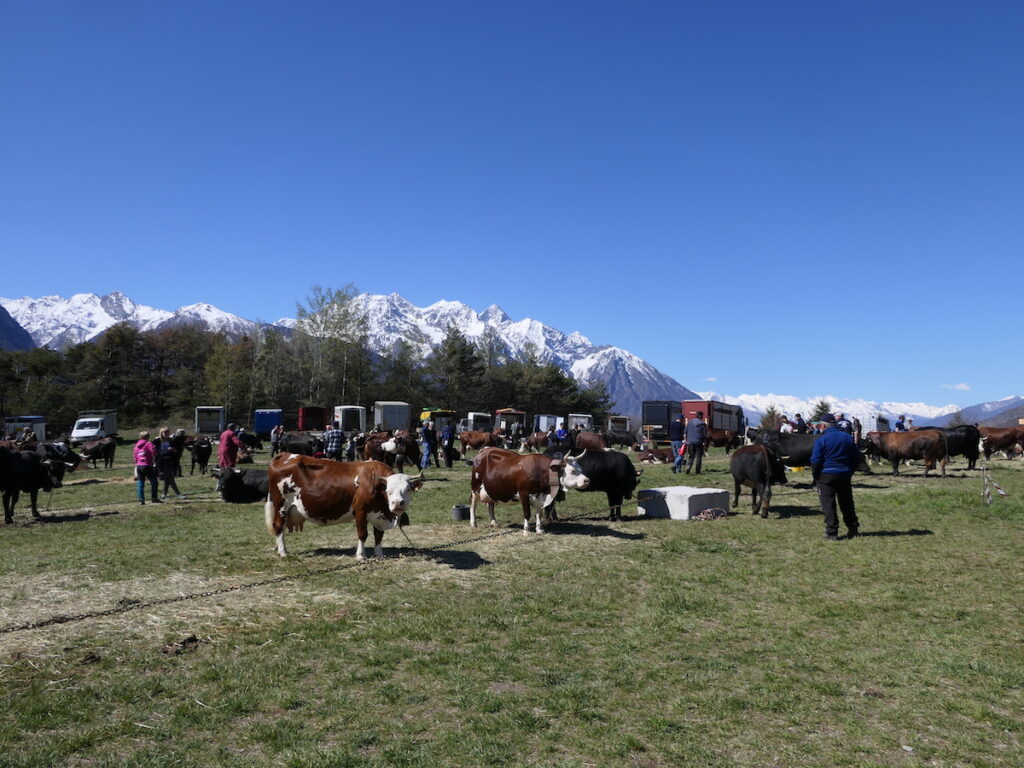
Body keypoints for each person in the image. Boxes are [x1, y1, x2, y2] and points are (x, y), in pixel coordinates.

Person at [810, 413, 862, 541]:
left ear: (822, 425)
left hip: (826, 475)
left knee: (828, 504)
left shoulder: (821, 440)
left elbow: (815, 460)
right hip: (844, 474)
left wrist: (816, 476)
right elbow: (856, 457)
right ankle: (853, 528)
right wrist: (851, 471)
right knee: (847, 503)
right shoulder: (847, 437)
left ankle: (832, 531)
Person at [155, 427, 185, 500]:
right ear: (161, 433)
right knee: (170, 478)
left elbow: (176, 449)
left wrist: (172, 449)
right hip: (161, 461)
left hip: (169, 460)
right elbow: (152, 448)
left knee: (168, 478)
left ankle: (164, 494)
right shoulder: (157, 441)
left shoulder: (171, 440)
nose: (166, 434)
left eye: (167, 432)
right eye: (165, 432)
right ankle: (177, 494)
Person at [134, 431, 159, 505]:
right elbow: (153, 451)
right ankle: (154, 498)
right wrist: (153, 457)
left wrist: (138, 462)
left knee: (141, 482)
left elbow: (135, 457)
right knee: (154, 482)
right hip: (147, 465)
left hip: (139, 466)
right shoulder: (148, 443)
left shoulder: (136, 446)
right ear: (147, 437)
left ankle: (141, 499)